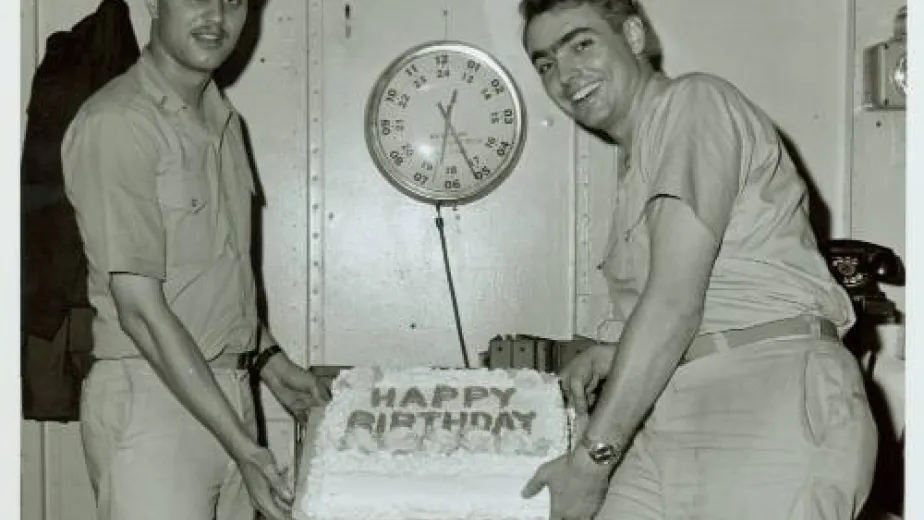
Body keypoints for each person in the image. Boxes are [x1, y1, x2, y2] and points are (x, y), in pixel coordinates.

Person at [517, 1, 878, 519]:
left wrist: (590, 464)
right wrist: (617, 349)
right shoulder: (640, 157)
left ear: (635, 36)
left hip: (763, 394)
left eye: (582, 44)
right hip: (670, 407)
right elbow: (699, 288)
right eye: (546, 63)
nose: (565, 75)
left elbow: (673, 306)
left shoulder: (694, 103)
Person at [61, 1, 329, 519]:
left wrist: (267, 361)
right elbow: (139, 309)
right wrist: (241, 444)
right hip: (152, 399)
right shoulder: (118, 122)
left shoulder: (224, 120)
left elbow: (212, 274)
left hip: (230, 393)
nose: (217, 15)